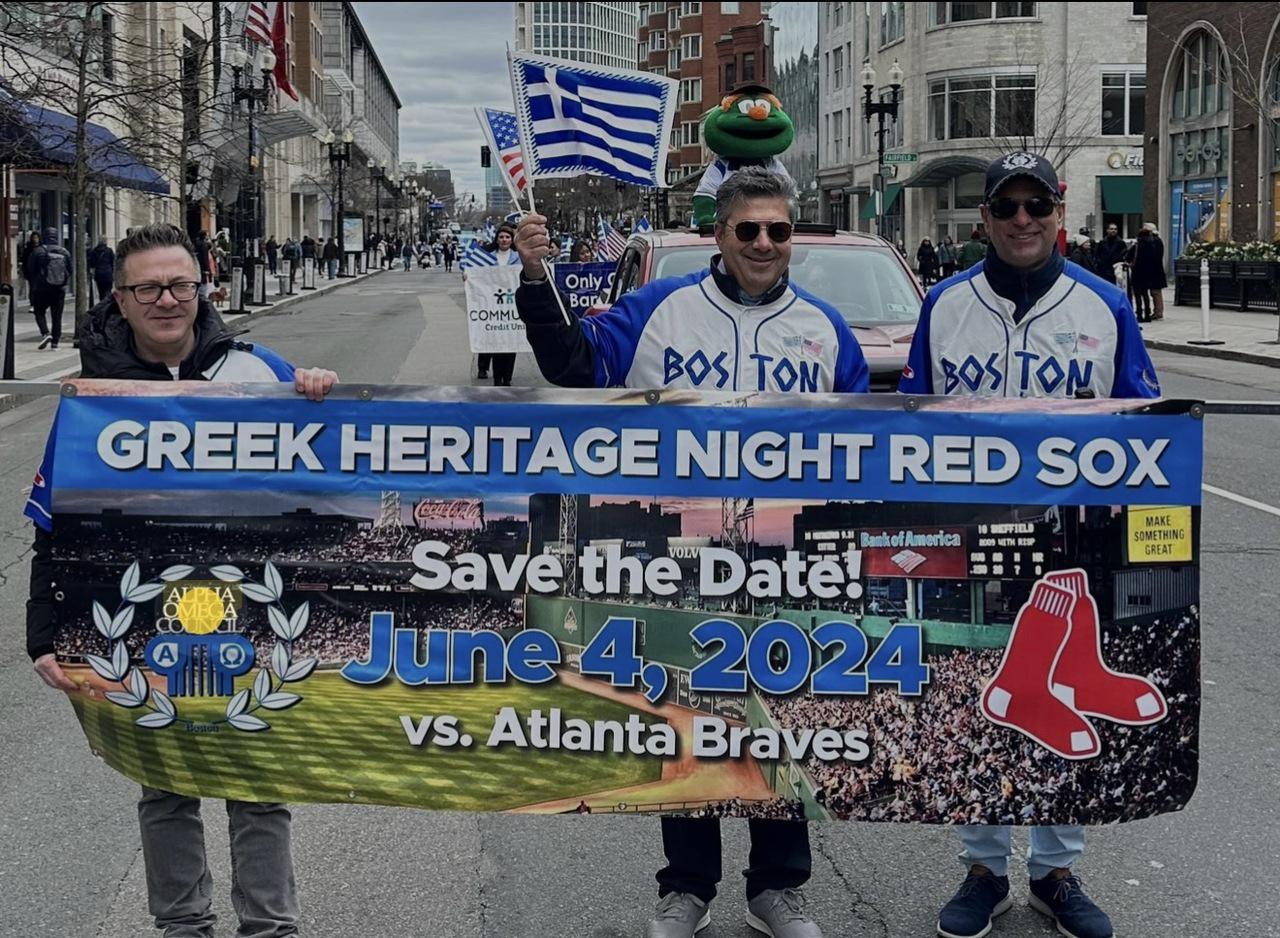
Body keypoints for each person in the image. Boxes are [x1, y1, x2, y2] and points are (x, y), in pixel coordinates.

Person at [515, 166, 869, 938]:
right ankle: (688, 887)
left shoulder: (824, 328)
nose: (765, 243)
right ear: (719, 235)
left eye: (779, 230)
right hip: (682, 555)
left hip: (783, 560)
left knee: (778, 718)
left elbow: (870, 447)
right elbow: (572, 367)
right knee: (692, 716)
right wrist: (537, 277)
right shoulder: (660, 310)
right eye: (749, 230)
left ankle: (777, 886)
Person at [25, 223, 337, 938]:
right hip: (141, 618)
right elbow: (55, 525)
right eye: (149, 288)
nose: (168, 300)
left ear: (203, 289)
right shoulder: (94, 395)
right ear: (122, 299)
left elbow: (334, 444)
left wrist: (318, 389)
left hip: (251, 612)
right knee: (164, 784)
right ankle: (182, 926)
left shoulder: (256, 371)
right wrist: (43, 633)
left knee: (258, 783)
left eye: (181, 285)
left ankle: (269, 925)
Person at [899, 152, 1158, 938]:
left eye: (1034, 205)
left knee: (1071, 691)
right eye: (1005, 206)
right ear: (983, 217)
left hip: (1075, 526)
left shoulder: (1106, 304)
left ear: (1058, 212)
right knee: (978, 686)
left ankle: (1055, 870)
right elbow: (911, 420)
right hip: (971, 526)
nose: (1020, 220)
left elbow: (1146, 414)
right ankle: (981, 867)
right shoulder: (943, 304)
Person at [475, 223, 521, 386]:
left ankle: (507, 377)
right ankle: (497, 377)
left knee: (511, 342)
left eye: (507, 237)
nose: (504, 239)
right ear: (496, 239)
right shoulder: (488, 256)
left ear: (512, 240)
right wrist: (468, 277)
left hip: (511, 305)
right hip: (492, 303)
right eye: (501, 237)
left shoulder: (518, 256)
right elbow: (476, 274)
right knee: (495, 341)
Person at [26, 227, 71, 350]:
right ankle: (55, 343)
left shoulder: (37, 251)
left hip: (41, 289)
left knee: (39, 311)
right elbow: (70, 270)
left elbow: (30, 269)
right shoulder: (64, 252)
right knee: (57, 316)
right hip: (59, 290)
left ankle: (45, 333)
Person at [1128, 225, 1166, 323]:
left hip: (1139, 273)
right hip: (1150, 273)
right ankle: (1148, 314)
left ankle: (1141, 314)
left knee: (1140, 294)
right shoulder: (1152, 244)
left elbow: (1128, 257)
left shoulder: (1139, 245)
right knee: (1146, 294)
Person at [1139, 222, 1166, 320]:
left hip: (1154, 270)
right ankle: (1157, 311)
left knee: (1155, 292)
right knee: (1155, 292)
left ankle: (1158, 312)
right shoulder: (1156, 240)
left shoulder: (1154, 241)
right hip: (1155, 270)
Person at [87, 236, 116, 306]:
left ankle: (102, 304)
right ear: (105, 242)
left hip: (99, 274)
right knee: (108, 291)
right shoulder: (109, 251)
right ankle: (108, 304)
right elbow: (113, 262)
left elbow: (92, 264)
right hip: (108, 274)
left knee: (101, 291)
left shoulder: (94, 251)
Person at [17, 230, 41, 301]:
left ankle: (40, 302)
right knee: (32, 287)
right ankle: (33, 302)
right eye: (34, 238)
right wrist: (25, 271)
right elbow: (24, 259)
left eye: (37, 237)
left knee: (40, 287)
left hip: (40, 271)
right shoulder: (28, 248)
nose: (35, 239)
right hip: (31, 271)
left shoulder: (42, 247)